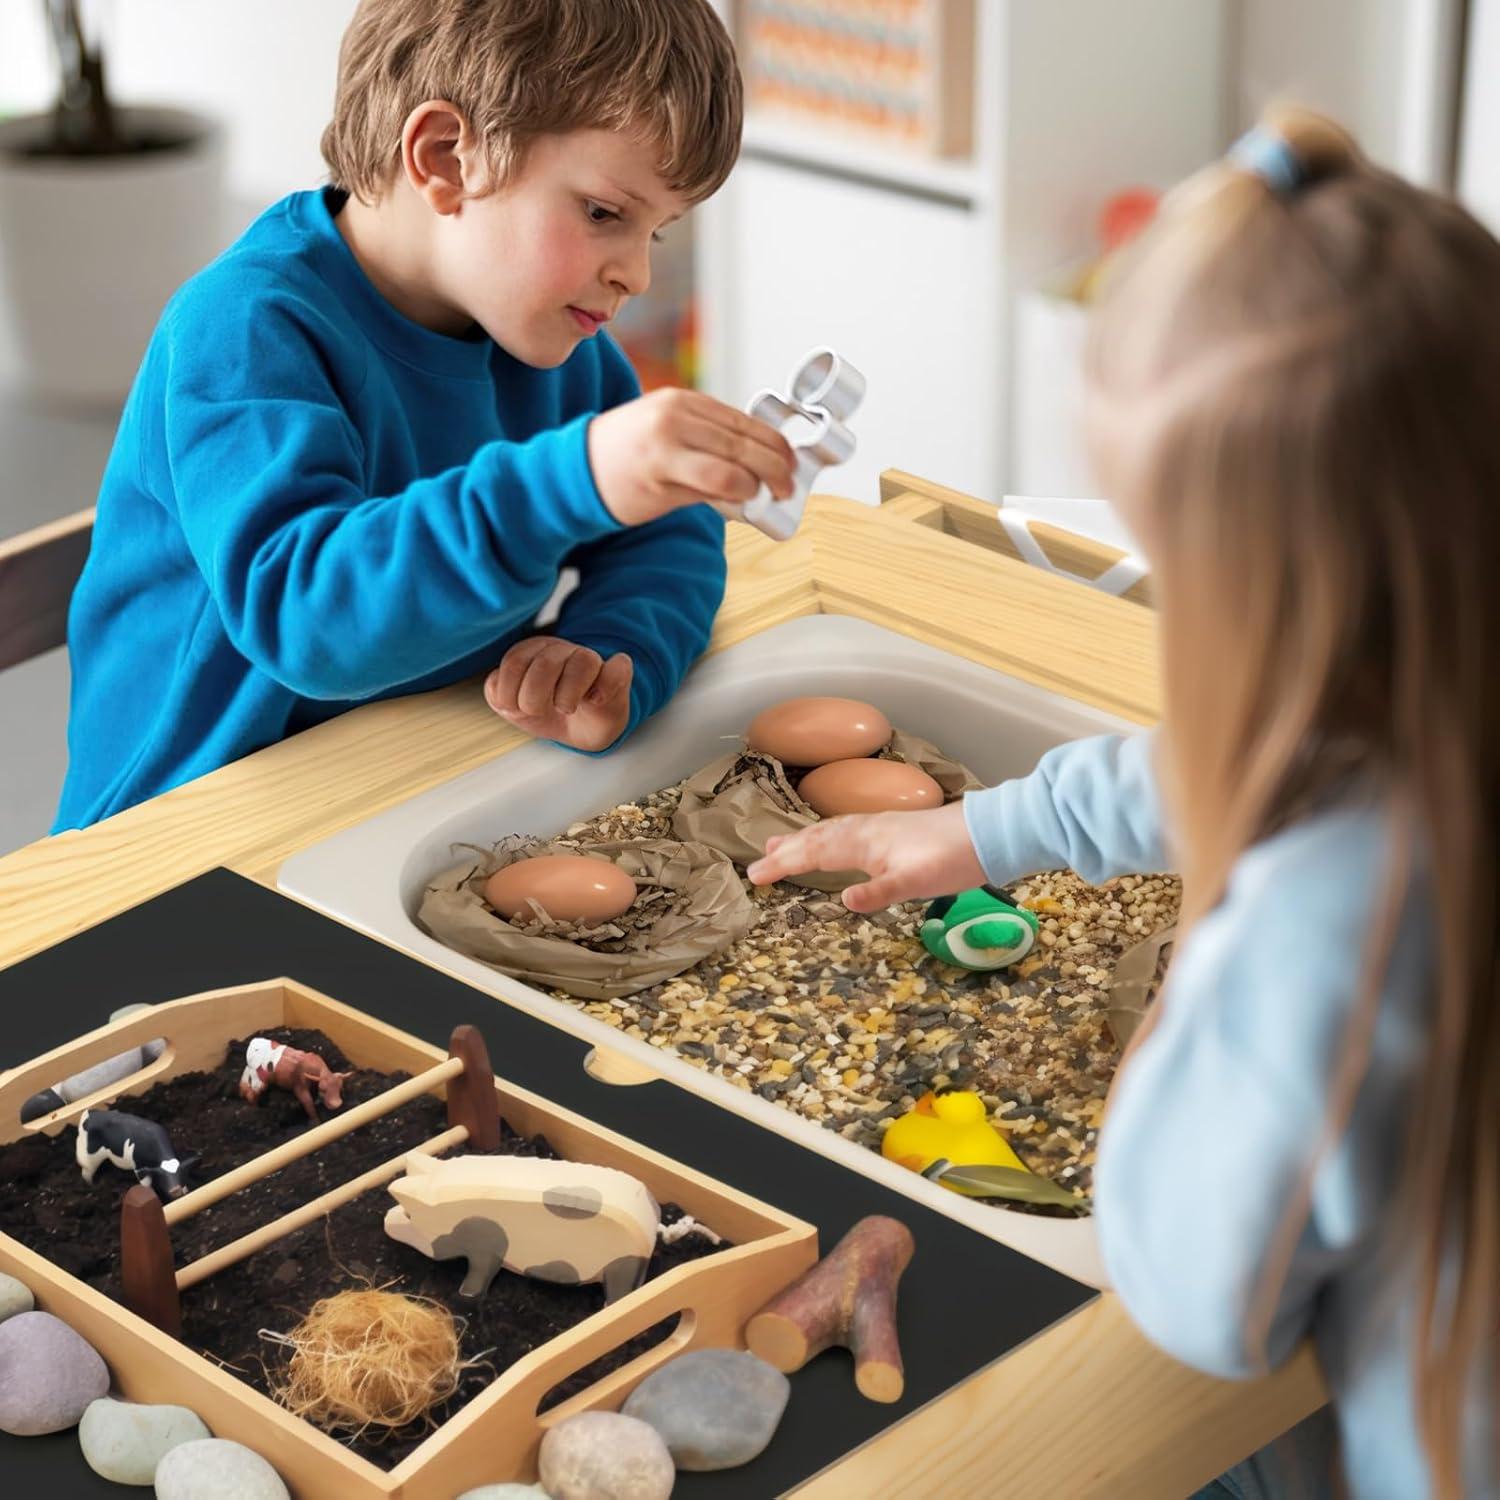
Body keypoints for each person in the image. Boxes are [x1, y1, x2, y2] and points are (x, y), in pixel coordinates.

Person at [748, 105, 1497, 1499]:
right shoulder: (1442, 674)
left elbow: (1212, 1303)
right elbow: (1275, 751)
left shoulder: (1333, 925)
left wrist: (1171, 1048)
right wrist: (994, 829)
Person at [54, 0, 793, 830]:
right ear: (445, 158)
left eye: (656, 233)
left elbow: (667, 532)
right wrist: (573, 479)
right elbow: (309, 619)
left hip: (403, 786)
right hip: (186, 834)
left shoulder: (547, 335)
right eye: (603, 213)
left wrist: (608, 652)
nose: (635, 275)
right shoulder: (246, 330)